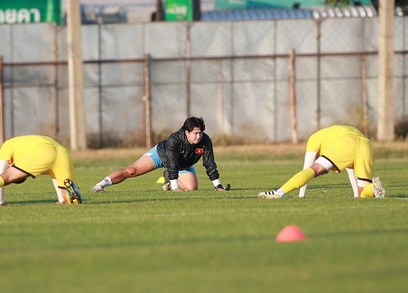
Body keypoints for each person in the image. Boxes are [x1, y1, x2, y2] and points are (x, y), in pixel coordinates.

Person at [92, 116, 230, 193]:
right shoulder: (174, 139)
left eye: (200, 133)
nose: (198, 136)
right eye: (195, 133)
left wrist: (217, 185)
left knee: (191, 188)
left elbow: (209, 163)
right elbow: (172, 162)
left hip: (183, 164)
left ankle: (168, 178)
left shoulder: (205, 140)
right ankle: (100, 185)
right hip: (162, 156)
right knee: (131, 171)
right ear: (186, 133)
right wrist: (175, 188)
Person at [258, 125, 386, 199]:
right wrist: (355, 196)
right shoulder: (332, 134)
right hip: (366, 144)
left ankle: (278, 193)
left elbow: (307, 169)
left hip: (347, 142)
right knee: (363, 193)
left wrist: (301, 196)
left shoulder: (313, 139)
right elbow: (350, 169)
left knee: (315, 170)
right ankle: (374, 188)